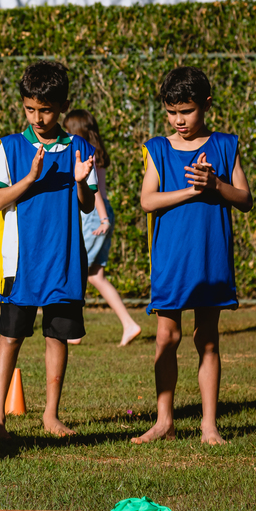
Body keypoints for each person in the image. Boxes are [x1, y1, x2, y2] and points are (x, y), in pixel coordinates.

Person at [131, 67, 252, 446]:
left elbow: (245, 199)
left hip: (209, 257)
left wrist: (216, 185)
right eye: (171, 112)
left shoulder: (225, 145)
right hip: (171, 260)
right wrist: (190, 191)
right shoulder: (158, 148)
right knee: (166, 337)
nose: (178, 120)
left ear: (206, 105)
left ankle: (209, 425)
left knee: (208, 339)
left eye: (186, 111)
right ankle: (164, 421)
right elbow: (147, 200)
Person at [0, 61, 97, 439]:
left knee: (57, 336)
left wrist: (82, 182)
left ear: (63, 106)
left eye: (46, 110)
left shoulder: (79, 148)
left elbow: (85, 204)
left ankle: (51, 414)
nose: (37, 117)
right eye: (30, 108)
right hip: (23, 262)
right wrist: (30, 179)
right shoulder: (10, 147)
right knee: (11, 336)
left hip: (63, 261)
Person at [62, 109, 141, 346]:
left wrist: (103, 219)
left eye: (67, 129)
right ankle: (129, 324)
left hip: (96, 215)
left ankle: (73, 331)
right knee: (95, 275)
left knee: (74, 270)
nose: (64, 134)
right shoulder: (96, 152)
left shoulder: (85, 154)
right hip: (102, 213)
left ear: (76, 131)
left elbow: (93, 192)